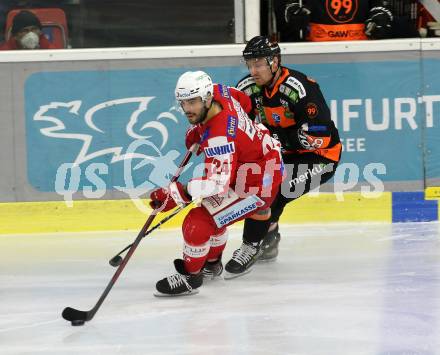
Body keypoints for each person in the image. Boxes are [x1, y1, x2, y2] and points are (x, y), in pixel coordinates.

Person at [150, 70, 284, 296]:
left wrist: (178, 193)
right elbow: (245, 102)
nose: (187, 109)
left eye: (192, 102)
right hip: (253, 165)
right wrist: (200, 129)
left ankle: (191, 278)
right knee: (214, 213)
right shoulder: (221, 91)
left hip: (258, 183)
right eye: (183, 103)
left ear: (206, 98)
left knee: (197, 222)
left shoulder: (219, 137)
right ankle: (212, 265)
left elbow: (217, 184)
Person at [236, 35, 341, 262]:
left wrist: (271, 138)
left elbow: (319, 136)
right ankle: (268, 241)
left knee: (274, 193)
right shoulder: (246, 88)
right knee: (258, 188)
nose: (253, 70)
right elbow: (236, 127)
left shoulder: (301, 88)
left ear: (274, 62)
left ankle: (255, 245)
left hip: (320, 157)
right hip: (282, 155)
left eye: (259, 64)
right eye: (250, 64)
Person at [277, 0, 397, 41]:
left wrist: (381, 15)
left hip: (362, 51)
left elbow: (383, 6)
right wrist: (291, 12)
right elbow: (286, 8)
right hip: (315, 54)